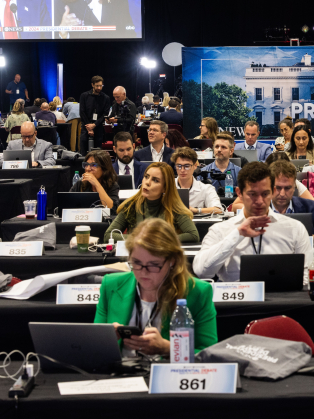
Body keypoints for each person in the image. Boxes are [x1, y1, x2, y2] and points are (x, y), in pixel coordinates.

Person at [95, 219, 217, 358]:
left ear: (172, 261)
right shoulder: (110, 285)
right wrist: (108, 338)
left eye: (153, 264)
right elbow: (94, 347)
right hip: (120, 374)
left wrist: (167, 349)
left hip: (170, 376)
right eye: (136, 263)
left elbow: (209, 355)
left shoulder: (199, 291)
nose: (143, 272)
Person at [192, 161, 313, 282]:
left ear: (273, 191)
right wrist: (236, 235)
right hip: (238, 298)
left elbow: (308, 274)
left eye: (265, 194)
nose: (259, 201)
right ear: (239, 193)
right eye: (252, 194)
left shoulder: (294, 228)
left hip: (283, 298)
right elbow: (201, 271)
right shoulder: (221, 230)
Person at [103, 163, 198, 243]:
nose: (147, 182)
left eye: (155, 180)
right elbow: (108, 235)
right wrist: (141, 239)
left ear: (165, 187)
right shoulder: (131, 205)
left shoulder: (173, 207)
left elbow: (193, 235)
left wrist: (161, 240)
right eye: (146, 177)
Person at [269, 160, 314, 239]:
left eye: (287, 188)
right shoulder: (258, 211)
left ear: (295, 187)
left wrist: (313, 239)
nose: (282, 194)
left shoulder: (312, 208)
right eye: (278, 188)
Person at [171, 148, 223, 215]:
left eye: (187, 166)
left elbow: (218, 209)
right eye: (179, 166)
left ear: (195, 166)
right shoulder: (167, 186)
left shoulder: (206, 188)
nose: (182, 170)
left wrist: (196, 210)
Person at [79, 75, 112, 152]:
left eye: (101, 86)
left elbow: (105, 114)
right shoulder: (84, 96)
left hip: (98, 127)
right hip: (85, 127)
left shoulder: (106, 98)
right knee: (83, 152)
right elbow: (82, 112)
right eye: (97, 86)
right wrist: (89, 127)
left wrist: (94, 125)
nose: (99, 88)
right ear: (92, 85)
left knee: (97, 153)